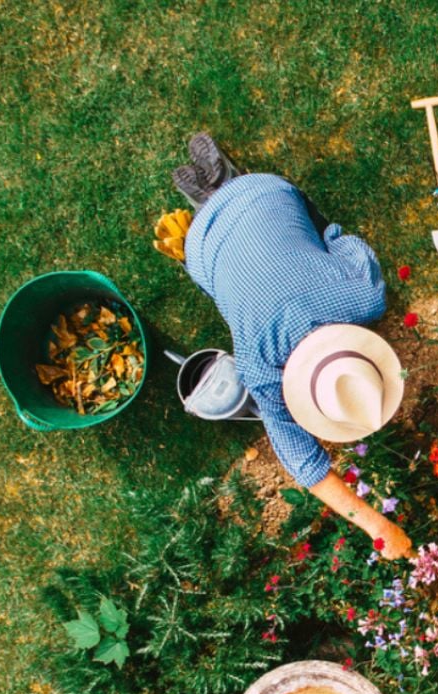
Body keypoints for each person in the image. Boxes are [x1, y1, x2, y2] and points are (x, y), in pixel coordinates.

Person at [172, 133, 414, 559]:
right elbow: (301, 459)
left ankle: (221, 188)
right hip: (202, 247)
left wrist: (381, 527)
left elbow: (345, 242)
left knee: (290, 233)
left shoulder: (364, 297)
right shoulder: (257, 366)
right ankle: (213, 195)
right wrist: (376, 526)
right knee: (234, 268)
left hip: (266, 193)